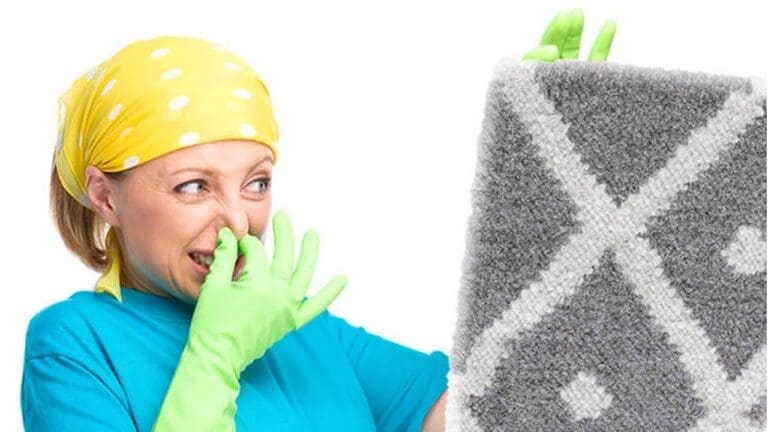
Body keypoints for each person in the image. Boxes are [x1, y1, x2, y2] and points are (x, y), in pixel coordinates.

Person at [20, 8, 615, 432]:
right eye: (194, 186)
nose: (235, 223)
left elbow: (495, 415)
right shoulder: (72, 344)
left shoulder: (304, 330)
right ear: (104, 195)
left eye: (256, 182)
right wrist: (216, 357)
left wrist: (549, 210)